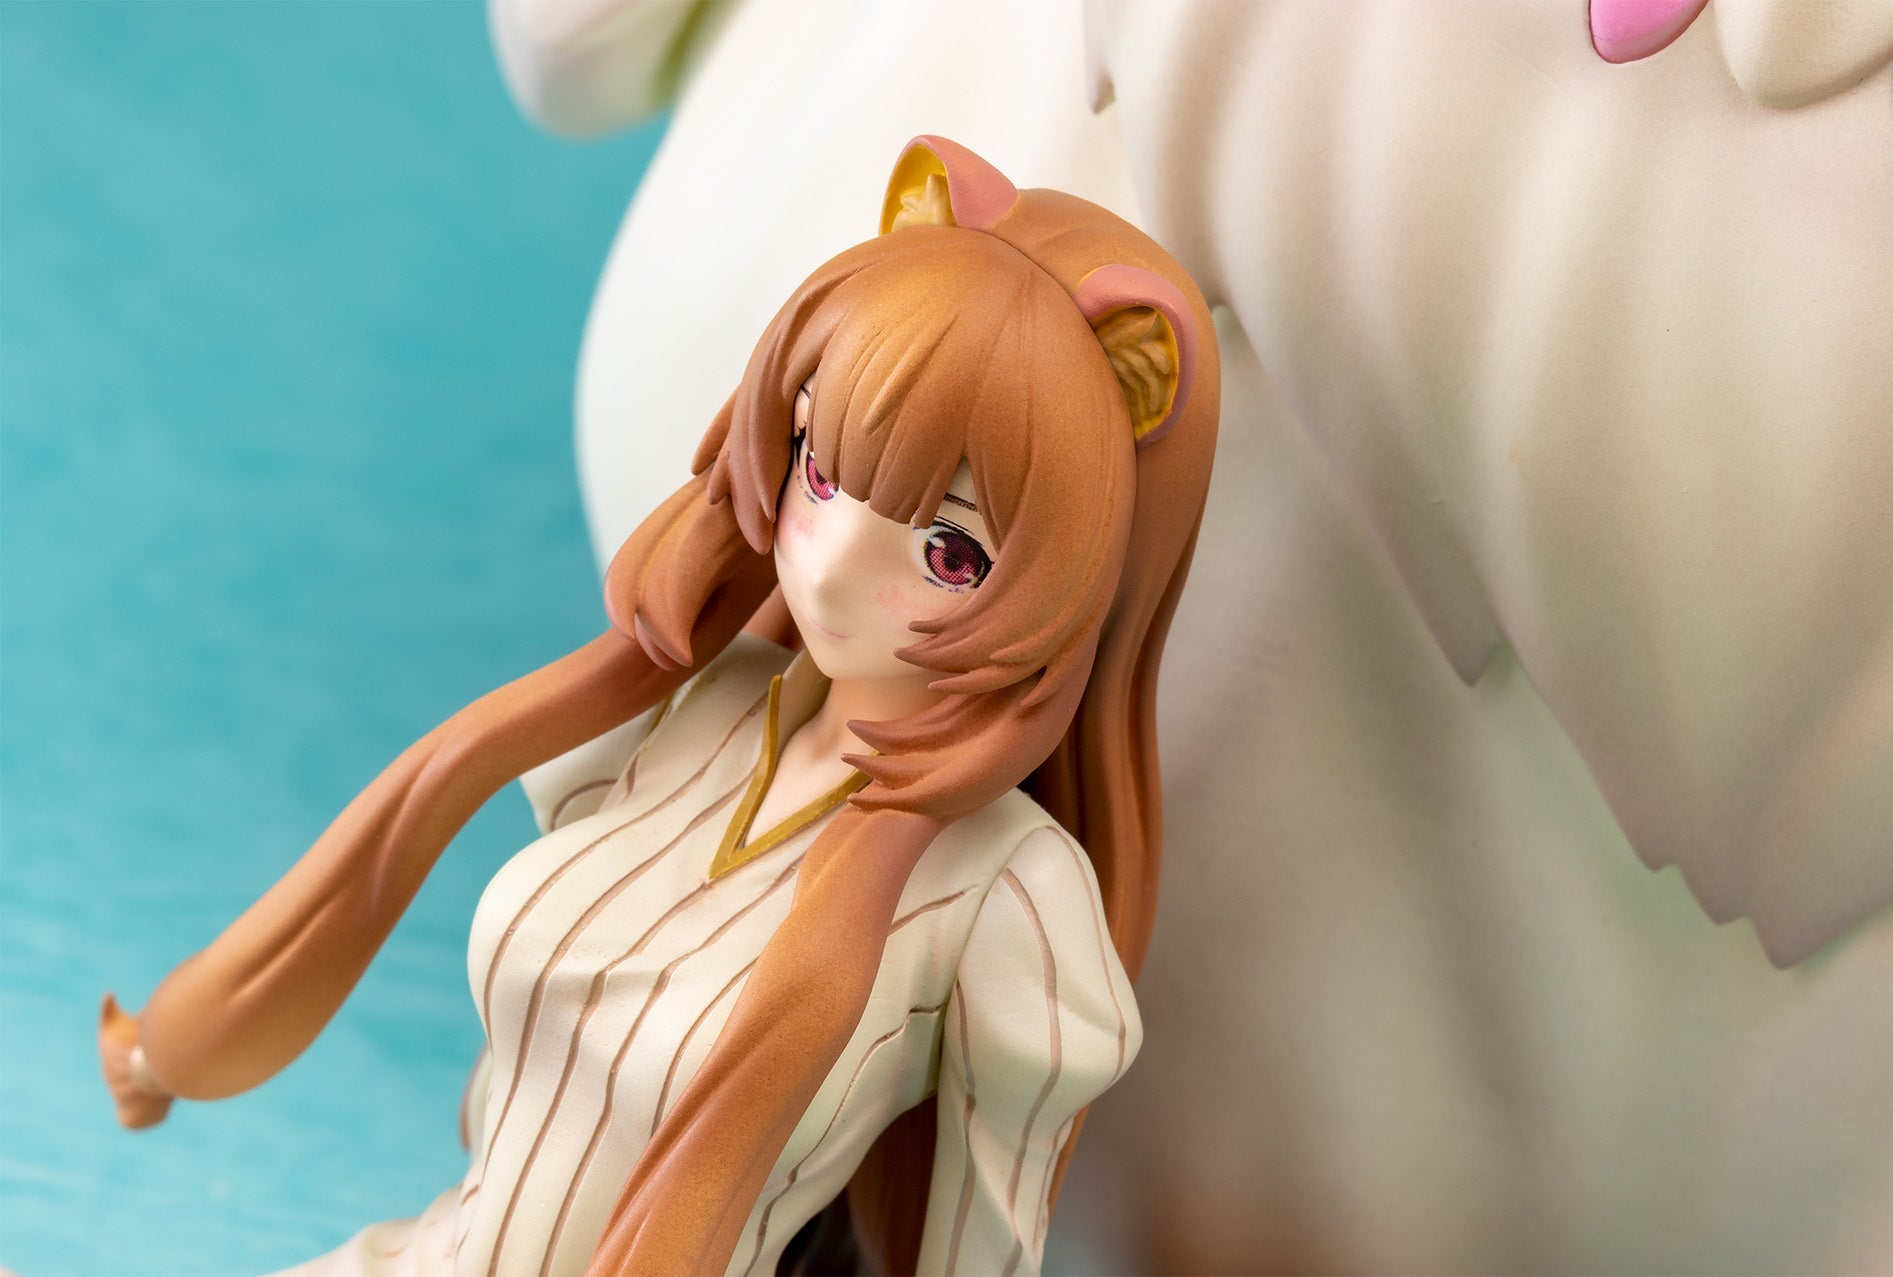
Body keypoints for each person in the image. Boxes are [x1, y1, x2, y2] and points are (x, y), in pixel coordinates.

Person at [98, 135, 1220, 1276]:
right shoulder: (685, 715)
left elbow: (975, 1245)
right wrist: (179, 1044)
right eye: (818, 469)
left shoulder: (1007, 895)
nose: (832, 566)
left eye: (948, 550)